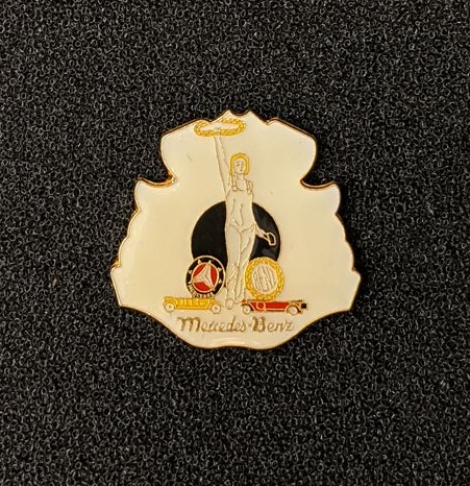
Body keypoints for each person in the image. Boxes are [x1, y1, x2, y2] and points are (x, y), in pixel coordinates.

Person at [214, 135, 276, 309]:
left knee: (243, 264)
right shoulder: (229, 184)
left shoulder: (249, 186)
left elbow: (249, 212)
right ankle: (230, 294)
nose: (240, 166)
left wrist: (261, 232)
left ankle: (239, 295)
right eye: (237, 164)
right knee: (233, 262)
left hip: (249, 228)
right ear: (232, 168)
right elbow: (221, 161)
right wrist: (217, 138)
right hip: (233, 227)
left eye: (242, 164)